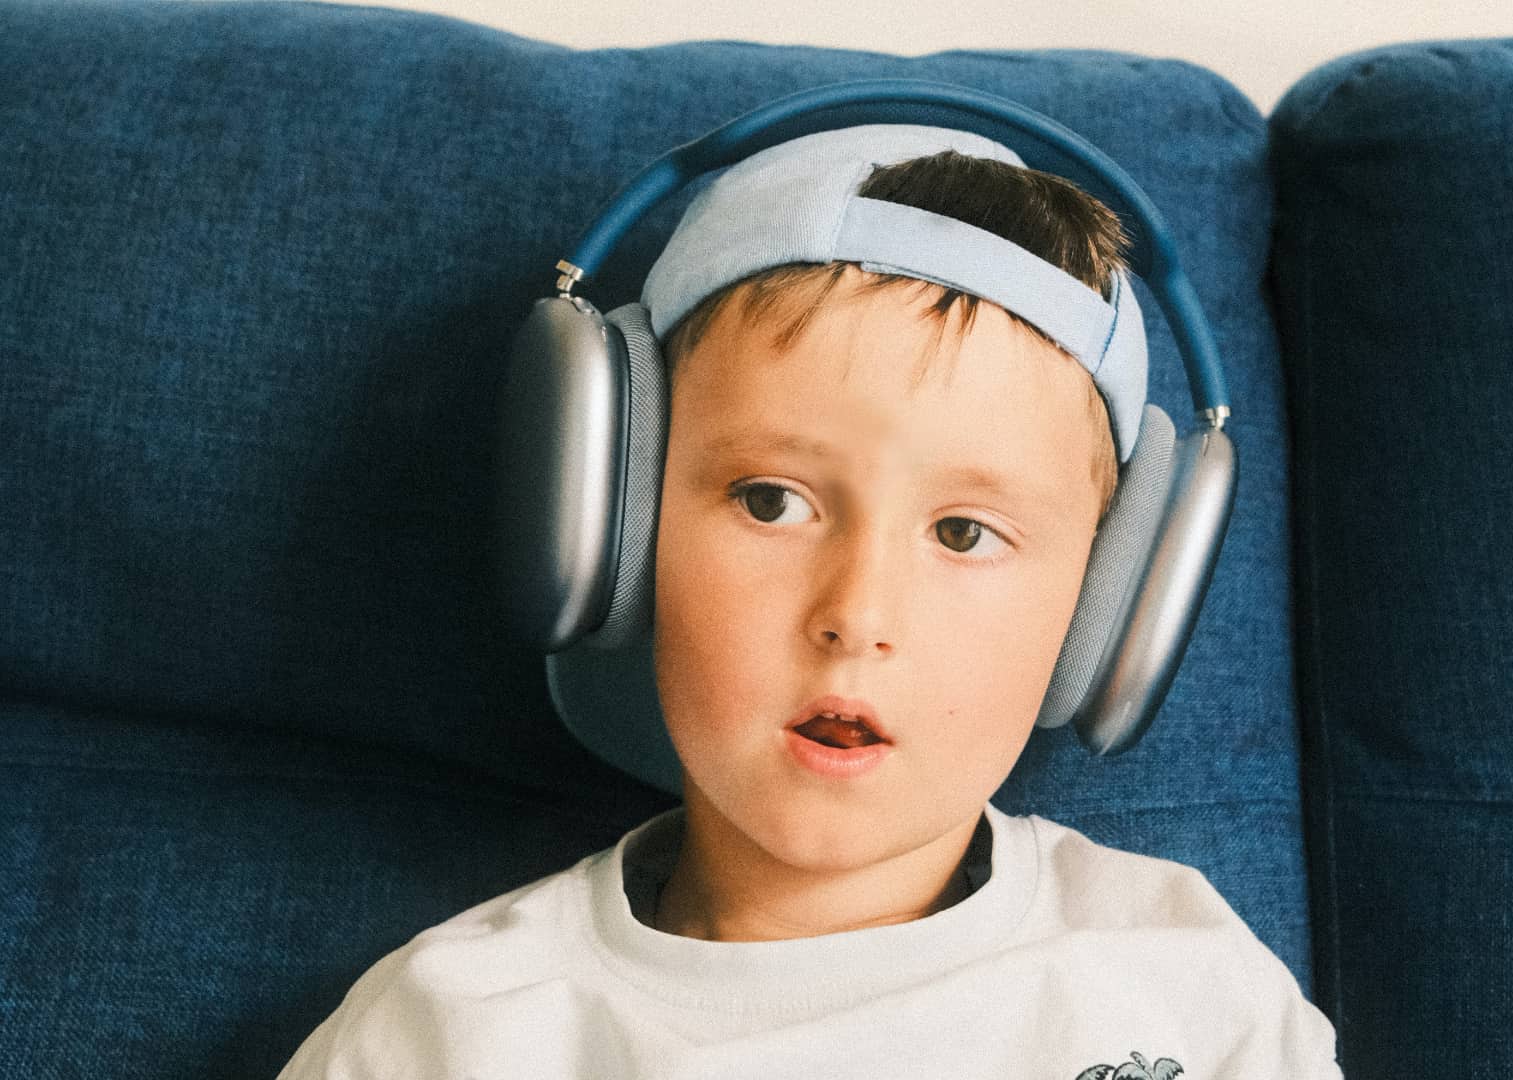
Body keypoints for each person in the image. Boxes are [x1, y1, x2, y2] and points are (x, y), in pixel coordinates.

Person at [279, 123, 1342, 1078]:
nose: (857, 613)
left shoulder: (1189, 992)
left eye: (964, 533)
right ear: (611, 522)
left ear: (1111, 613)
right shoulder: (454, 1035)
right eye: (772, 501)